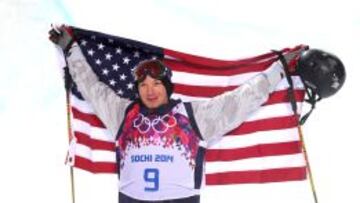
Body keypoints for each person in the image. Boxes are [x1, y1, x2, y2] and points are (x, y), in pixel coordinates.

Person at [49, 25, 286, 203]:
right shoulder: (122, 113)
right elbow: (91, 87)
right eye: (143, 85)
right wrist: (71, 49)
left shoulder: (193, 115)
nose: (150, 91)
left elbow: (241, 100)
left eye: (156, 84)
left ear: (167, 87)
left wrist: (279, 70)